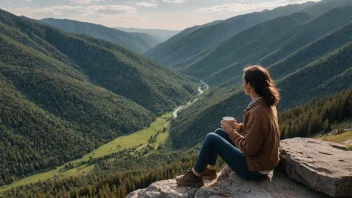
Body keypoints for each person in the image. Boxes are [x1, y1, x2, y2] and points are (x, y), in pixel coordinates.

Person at [176, 65, 281, 187]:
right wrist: (237, 127)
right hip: (262, 162)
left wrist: (231, 131)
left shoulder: (258, 111)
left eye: (243, 80)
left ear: (249, 84)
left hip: (255, 169)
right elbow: (256, 131)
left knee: (211, 137)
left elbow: (249, 148)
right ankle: (209, 170)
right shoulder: (265, 104)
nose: (242, 83)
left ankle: (194, 176)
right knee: (219, 132)